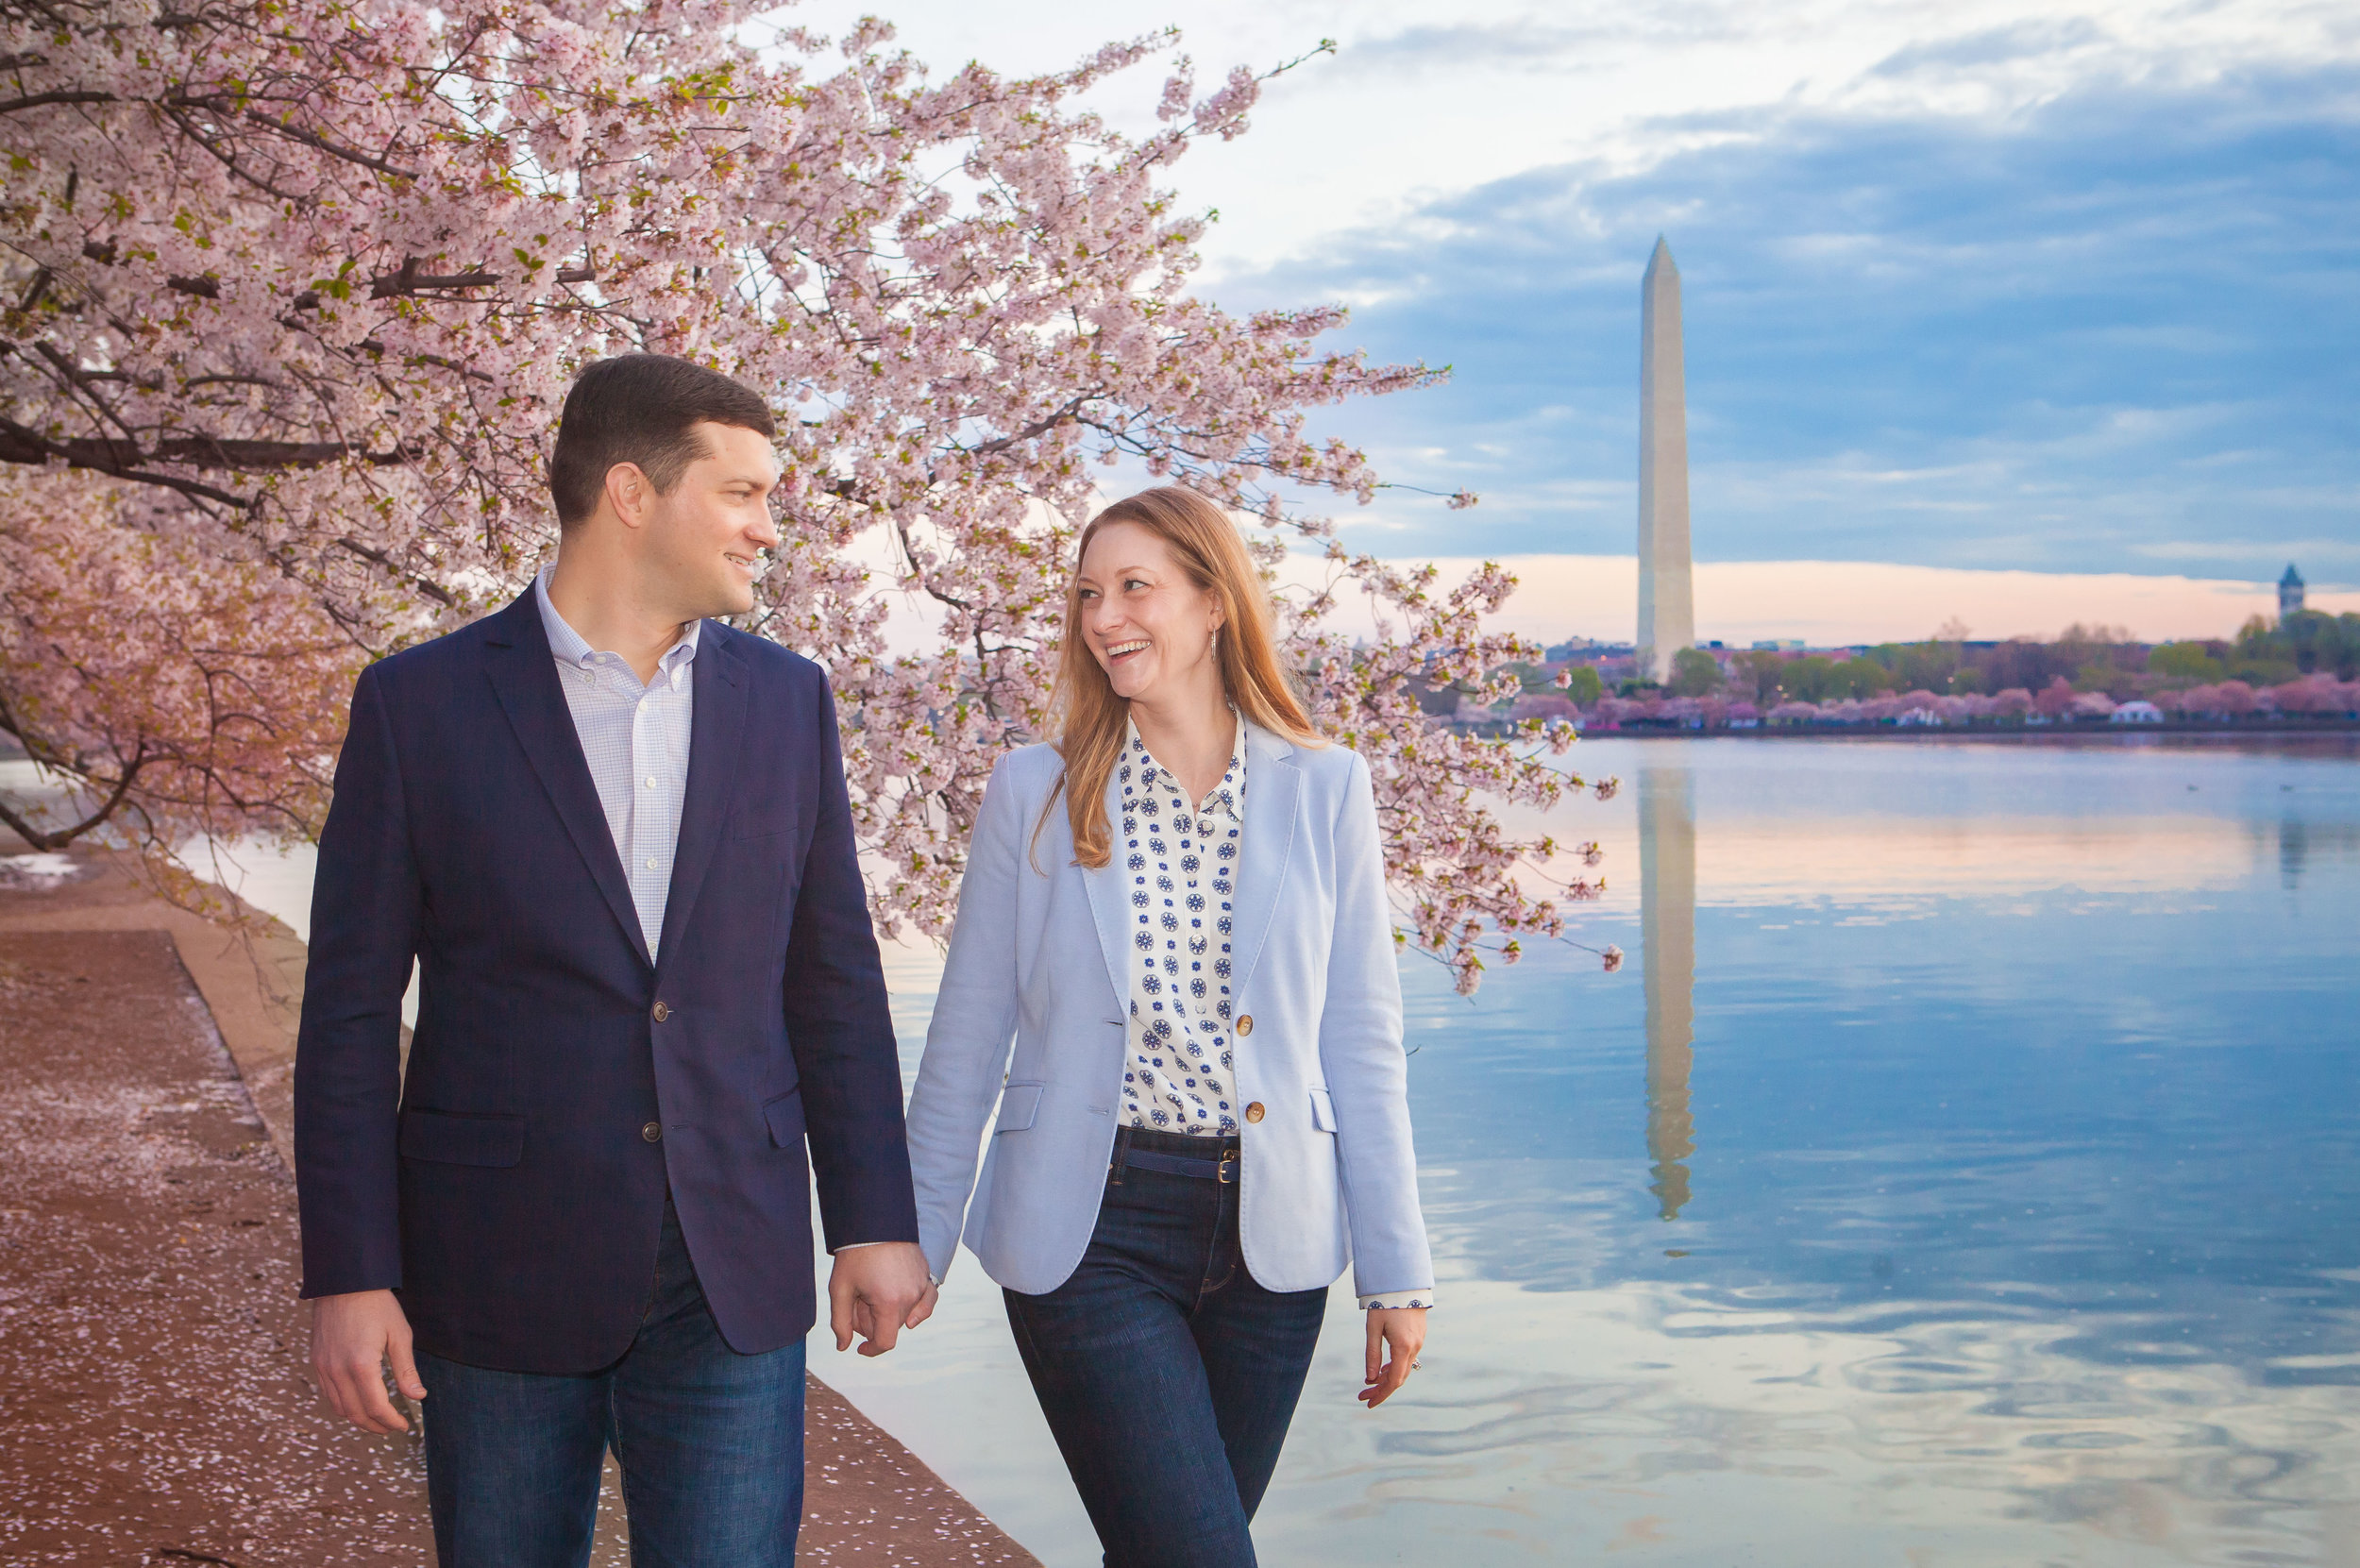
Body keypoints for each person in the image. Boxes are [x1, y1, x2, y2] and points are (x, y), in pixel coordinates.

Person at [294, 353, 932, 1567]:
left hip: (730, 1262)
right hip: (495, 1262)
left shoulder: (788, 701)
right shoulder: (417, 705)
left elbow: (832, 981)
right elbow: (348, 1013)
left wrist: (873, 1220)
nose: (765, 527)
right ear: (633, 493)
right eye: (741, 493)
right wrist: (351, 1270)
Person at [903, 486, 1434, 1567]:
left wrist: (1395, 1267)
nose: (1104, 617)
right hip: (1091, 1229)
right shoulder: (1036, 790)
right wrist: (911, 1236)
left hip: (1274, 1241)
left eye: (1134, 587)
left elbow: (1361, 1042)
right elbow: (968, 1029)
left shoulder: (1326, 788)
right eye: (1089, 594)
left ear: (1212, 603)